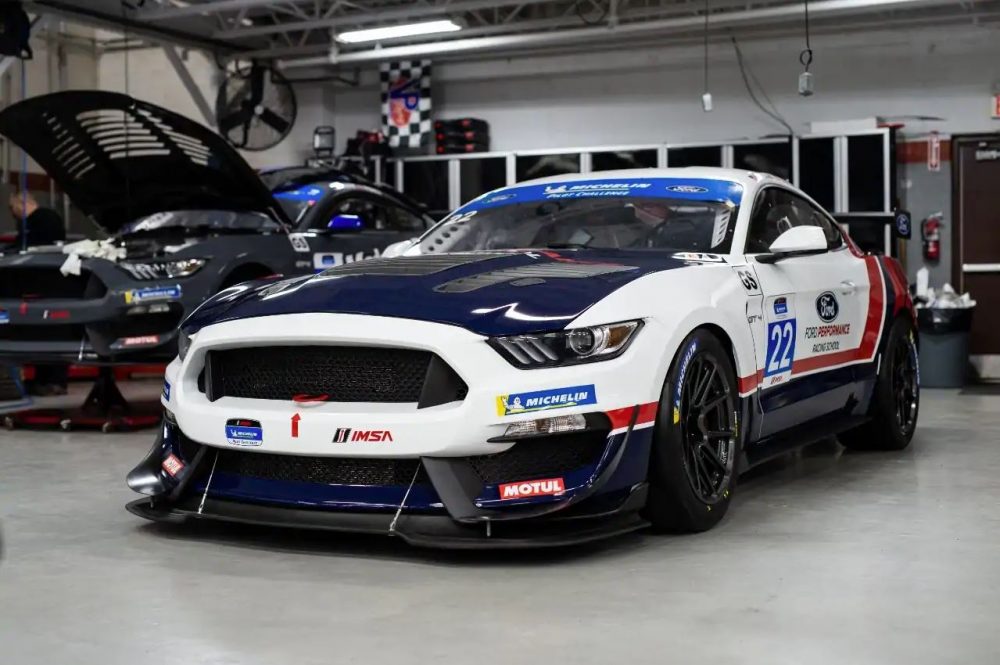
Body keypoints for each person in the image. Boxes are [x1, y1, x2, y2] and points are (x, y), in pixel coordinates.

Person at [7, 190, 69, 396]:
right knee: (53, 332)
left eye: (12, 208)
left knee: (44, 332)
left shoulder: (35, 222)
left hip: (40, 286)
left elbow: (24, 248)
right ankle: (53, 381)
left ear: (20, 204)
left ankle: (49, 380)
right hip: (55, 285)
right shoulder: (50, 218)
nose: (12, 213)